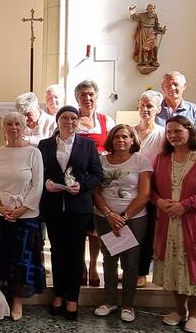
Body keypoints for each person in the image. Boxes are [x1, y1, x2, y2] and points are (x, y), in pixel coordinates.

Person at [152, 115, 196, 333]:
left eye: (178, 131)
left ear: (189, 131)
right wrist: (159, 201)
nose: (173, 135)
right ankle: (180, 310)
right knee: (175, 268)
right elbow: (151, 189)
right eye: (169, 132)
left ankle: (195, 314)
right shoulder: (162, 158)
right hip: (169, 224)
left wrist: (185, 205)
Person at [38, 105, 103, 320]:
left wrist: (82, 186)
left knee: (75, 254)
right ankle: (58, 294)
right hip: (54, 206)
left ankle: (72, 298)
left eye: (74, 118)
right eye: (65, 118)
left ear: (78, 121)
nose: (69, 122)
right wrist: (46, 183)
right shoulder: (45, 145)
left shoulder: (88, 145)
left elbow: (97, 174)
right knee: (57, 251)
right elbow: (38, 171)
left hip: (78, 207)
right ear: (57, 121)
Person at [0, 112, 45, 321]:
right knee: (2, 256)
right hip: (0, 214)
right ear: (4, 128)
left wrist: (22, 209)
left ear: (24, 127)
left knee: (21, 260)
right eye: (9, 124)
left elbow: (38, 184)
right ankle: (4, 297)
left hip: (26, 216)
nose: (13, 127)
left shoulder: (33, 153)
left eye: (18, 124)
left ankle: (18, 301)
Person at [92, 125, 152, 323]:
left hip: (134, 219)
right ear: (111, 139)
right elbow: (95, 191)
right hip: (104, 217)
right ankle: (109, 301)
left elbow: (145, 194)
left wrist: (124, 217)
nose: (120, 140)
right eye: (117, 136)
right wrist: (109, 214)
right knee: (109, 259)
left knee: (130, 262)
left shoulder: (141, 161)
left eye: (125, 136)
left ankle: (128, 305)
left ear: (132, 140)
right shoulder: (101, 160)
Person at [74, 79, 113, 288]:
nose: (87, 98)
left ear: (96, 97)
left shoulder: (106, 120)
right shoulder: (71, 120)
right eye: (83, 95)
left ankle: (93, 266)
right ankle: (80, 264)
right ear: (77, 98)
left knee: (95, 226)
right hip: (77, 182)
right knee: (80, 226)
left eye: (91, 94)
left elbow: (114, 147)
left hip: (99, 181)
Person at [134, 89, 165, 287]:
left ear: (158, 109)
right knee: (129, 230)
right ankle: (128, 268)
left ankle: (141, 272)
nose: (145, 109)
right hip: (130, 188)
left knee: (147, 232)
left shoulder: (163, 134)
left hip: (153, 190)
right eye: (142, 105)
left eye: (150, 106)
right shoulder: (130, 131)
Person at [129, 3, 166, 68]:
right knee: (144, 47)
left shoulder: (155, 15)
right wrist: (132, 10)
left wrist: (161, 30)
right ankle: (144, 62)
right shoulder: (142, 15)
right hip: (144, 31)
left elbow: (157, 25)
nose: (152, 9)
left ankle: (153, 60)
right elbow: (134, 17)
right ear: (147, 9)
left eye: (153, 8)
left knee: (155, 46)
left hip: (152, 32)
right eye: (150, 8)